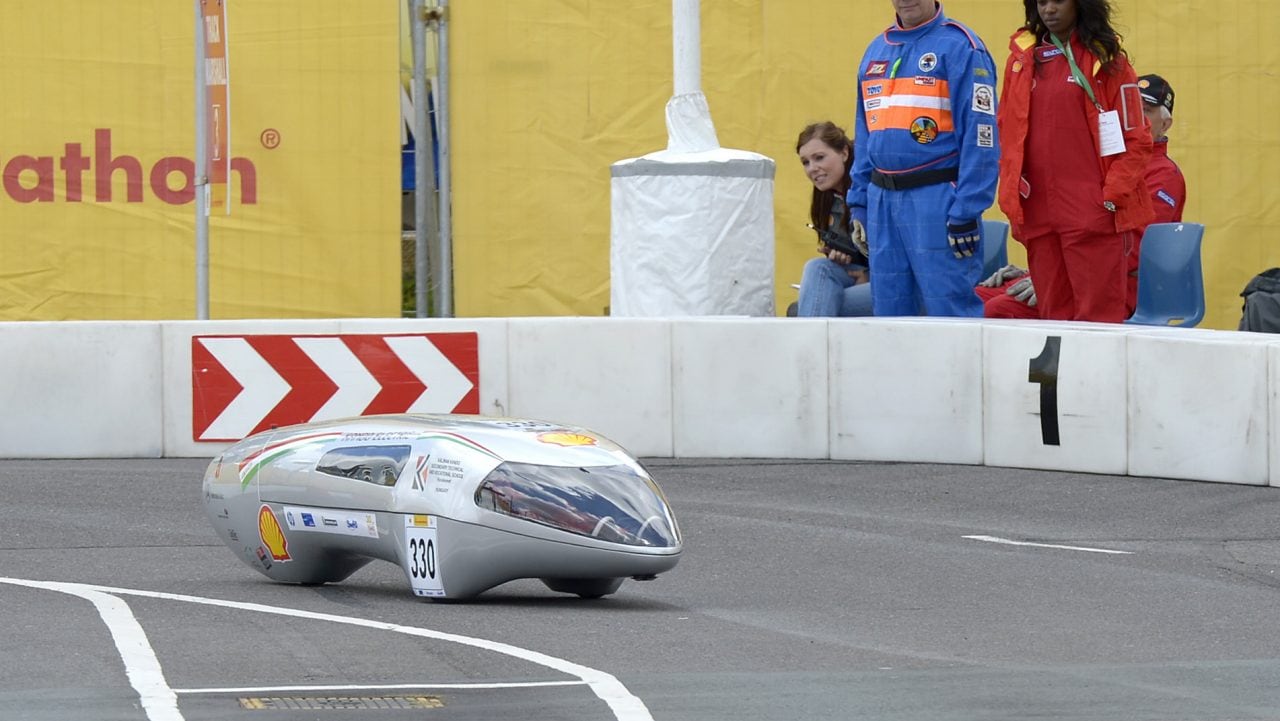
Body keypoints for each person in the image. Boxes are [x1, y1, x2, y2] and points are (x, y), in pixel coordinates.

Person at [978, 70, 1185, 319]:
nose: (1135, 119)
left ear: (1165, 123)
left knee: (997, 311)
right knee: (975, 299)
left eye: (1146, 111)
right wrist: (1039, 271)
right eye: (1128, 109)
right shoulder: (1102, 161)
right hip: (1075, 272)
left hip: (1116, 285)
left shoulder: (1163, 175)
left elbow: (1136, 248)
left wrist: (1058, 279)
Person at [996, 0, 1154, 323]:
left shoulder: (1107, 61)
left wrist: (1112, 195)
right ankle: (1066, 377)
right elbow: (1006, 132)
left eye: (1058, 1)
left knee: (1097, 322)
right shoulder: (1021, 61)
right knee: (1053, 319)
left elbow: (1137, 138)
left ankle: (1097, 377)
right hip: (1039, 214)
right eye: (1041, 2)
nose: (1049, 9)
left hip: (1092, 213)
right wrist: (1013, 195)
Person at [847, 0, 999, 317]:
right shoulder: (875, 50)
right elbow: (865, 136)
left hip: (938, 200)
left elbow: (981, 135)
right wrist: (859, 203)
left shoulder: (962, 46)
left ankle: (961, 369)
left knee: (950, 311)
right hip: (881, 204)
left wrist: (967, 209)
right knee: (890, 316)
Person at [794, 121, 873, 317]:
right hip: (864, 277)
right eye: (805, 162)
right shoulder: (830, 199)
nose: (812, 168)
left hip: (900, 283)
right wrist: (842, 256)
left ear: (844, 153)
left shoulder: (873, 189)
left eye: (819, 158)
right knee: (818, 266)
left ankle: (809, 346)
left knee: (804, 308)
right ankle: (813, 343)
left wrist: (870, 275)